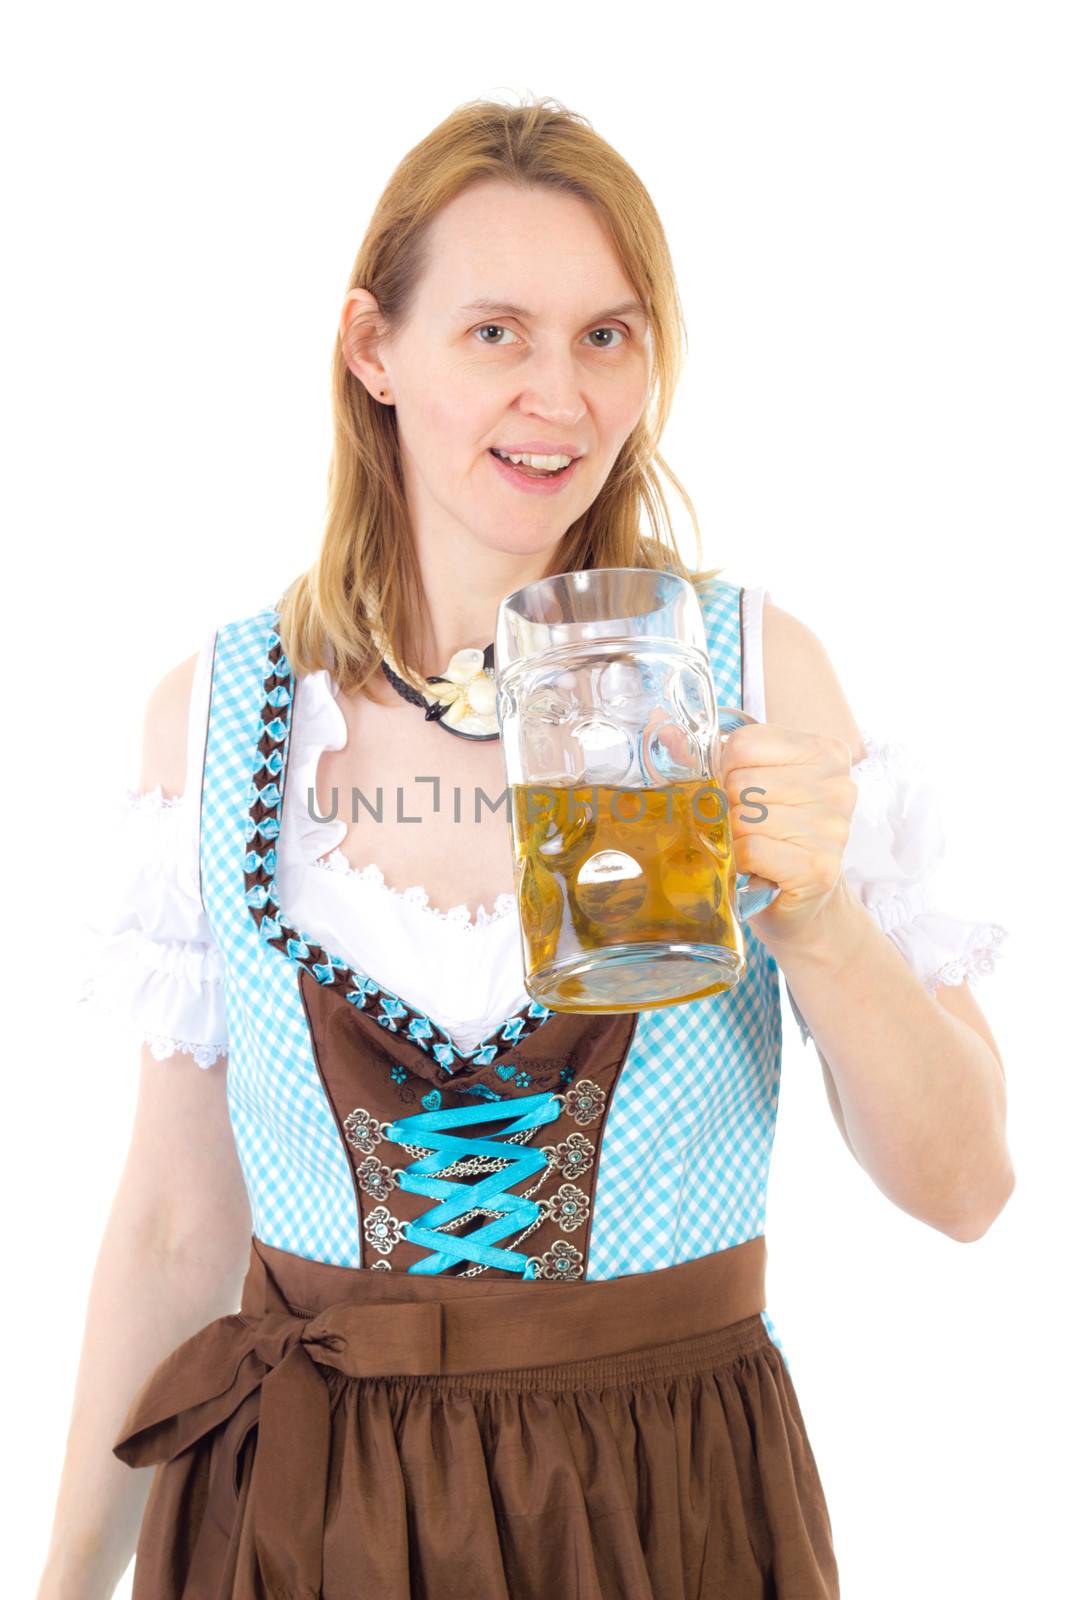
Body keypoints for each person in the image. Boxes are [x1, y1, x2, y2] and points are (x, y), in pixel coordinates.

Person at [41, 95, 1012, 1600]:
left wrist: (815, 918)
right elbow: (175, 1220)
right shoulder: (224, 716)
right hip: (302, 1517)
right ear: (374, 350)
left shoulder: (754, 680)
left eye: (608, 336)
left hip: (665, 1510)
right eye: (497, 331)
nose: (559, 395)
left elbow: (967, 1189)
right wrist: (59, 1584)